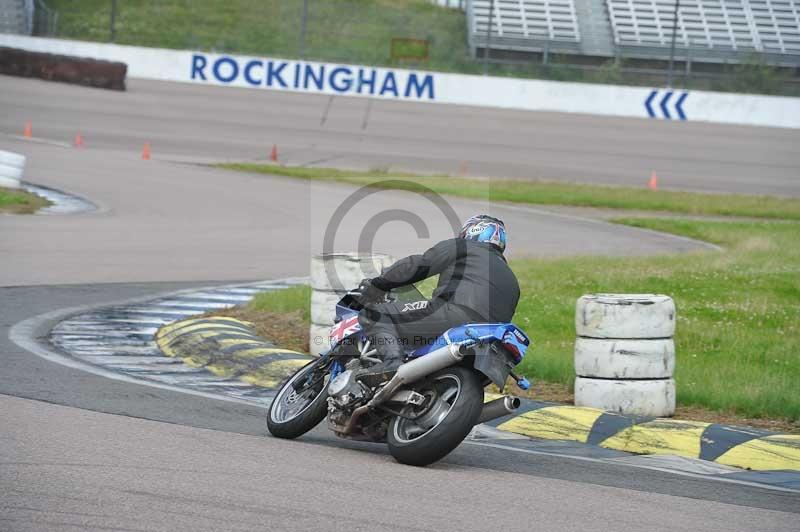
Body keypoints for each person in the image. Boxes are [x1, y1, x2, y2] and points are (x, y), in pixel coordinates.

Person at [353, 214, 520, 386]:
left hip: (455, 314)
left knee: (373, 315)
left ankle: (391, 363)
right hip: (488, 339)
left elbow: (419, 265)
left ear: (472, 231)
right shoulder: (512, 278)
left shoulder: (464, 246)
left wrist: (378, 285)